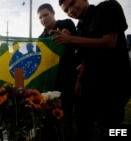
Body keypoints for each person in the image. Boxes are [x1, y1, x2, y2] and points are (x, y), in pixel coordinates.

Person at [53, 0, 131, 140]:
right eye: (66, 10)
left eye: (72, 4)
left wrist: (71, 39)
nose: (70, 11)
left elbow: (109, 42)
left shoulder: (107, 7)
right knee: (83, 126)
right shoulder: (80, 28)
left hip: (113, 85)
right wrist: (79, 80)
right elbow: (85, 59)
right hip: (90, 86)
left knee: (110, 129)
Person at [37, 3, 78, 141]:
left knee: (68, 112)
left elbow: (77, 43)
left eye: (46, 15)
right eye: (40, 17)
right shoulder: (40, 38)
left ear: (53, 13)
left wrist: (68, 36)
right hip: (51, 81)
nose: (43, 19)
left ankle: (69, 133)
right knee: (50, 113)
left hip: (68, 76)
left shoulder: (66, 23)